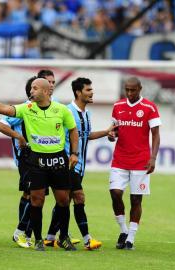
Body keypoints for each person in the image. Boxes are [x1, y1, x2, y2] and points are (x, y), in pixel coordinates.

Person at [0, 78, 79, 251]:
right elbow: (6, 110)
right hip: (36, 160)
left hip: (58, 159)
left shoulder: (62, 110)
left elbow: (73, 130)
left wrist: (74, 153)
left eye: (35, 88)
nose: (31, 91)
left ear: (45, 91)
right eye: (31, 88)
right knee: (37, 200)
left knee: (63, 200)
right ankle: (37, 239)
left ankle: (64, 236)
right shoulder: (27, 108)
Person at [44, 77, 112, 250]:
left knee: (63, 200)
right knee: (79, 197)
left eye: (91, 89)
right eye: (88, 90)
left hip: (79, 166)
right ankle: (86, 239)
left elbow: (85, 135)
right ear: (78, 92)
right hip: (67, 164)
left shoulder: (86, 114)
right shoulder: (66, 111)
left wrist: (106, 132)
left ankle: (51, 237)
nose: (92, 92)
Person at [109, 77, 161, 250]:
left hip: (141, 160)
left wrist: (153, 158)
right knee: (115, 193)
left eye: (133, 90)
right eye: (127, 90)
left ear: (140, 88)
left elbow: (156, 134)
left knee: (135, 199)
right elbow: (114, 130)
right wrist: (111, 135)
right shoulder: (118, 106)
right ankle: (123, 230)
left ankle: (131, 237)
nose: (130, 93)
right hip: (120, 159)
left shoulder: (149, 107)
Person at [0, 76, 37, 248]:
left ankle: (26, 233)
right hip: (26, 157)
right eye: (47, 84)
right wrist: (19, 136)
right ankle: (21, 232)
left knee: (33, 194)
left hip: (39, 157)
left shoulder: (44, 108)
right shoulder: (24, 108)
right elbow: (1, 124)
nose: (50, 87)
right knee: (32, 193)